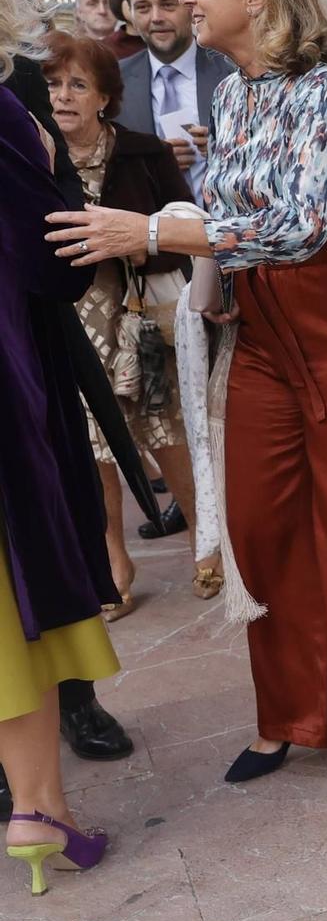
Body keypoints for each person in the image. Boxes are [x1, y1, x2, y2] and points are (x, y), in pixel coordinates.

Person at [46, 0, 327, 802]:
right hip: (259, 323)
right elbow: (233, 210)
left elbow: (300, 223)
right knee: (258, 522)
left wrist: (152, 230)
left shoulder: (325, 88)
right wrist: (209, 282)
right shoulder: (235, 96)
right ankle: (291, 716)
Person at [0, 0, 136, 776]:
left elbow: (64, 222)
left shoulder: (16, 81)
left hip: (27, 342)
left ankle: (76, 698)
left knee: (51, 518)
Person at [42, 32, 220, 616]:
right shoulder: (34, 159)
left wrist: (139, 246)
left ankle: (206, 540)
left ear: (104, 98)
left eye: (77, 84)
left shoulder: (144, 152)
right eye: (52, 84)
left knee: (164, 429)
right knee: (93, 445)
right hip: (72, 321)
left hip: (143, 320)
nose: (63, 96)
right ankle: (113, 556)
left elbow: (186, 237)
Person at [115, 0, 234, 191]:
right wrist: (153, 161)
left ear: (189, 6)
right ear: (129, 13)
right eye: (143, 8)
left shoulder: (232, 70)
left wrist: (225, 148)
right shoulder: (115, 82)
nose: (156, 17)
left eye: (167, 5)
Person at [77, 0, 143, 60]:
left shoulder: (138, 46)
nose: (102, 11)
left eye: (107, 3)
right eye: (93, 4)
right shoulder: (73, 53)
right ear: (79, 12)